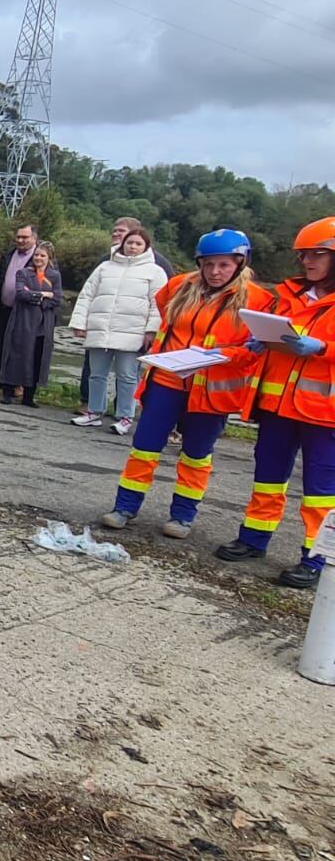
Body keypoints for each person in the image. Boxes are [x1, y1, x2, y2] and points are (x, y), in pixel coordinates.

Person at [100, 230, 271, 538]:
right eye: (208, 265)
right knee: (144, 448)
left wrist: (224, 353)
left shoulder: (259, 301)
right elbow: (164, 310)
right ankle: (124, 507)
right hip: (167, 380)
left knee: (195, 454)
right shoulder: (181, 286)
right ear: (199, 263)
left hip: (211, 391)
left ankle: (182, 516)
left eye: (223, 265)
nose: (215, 272)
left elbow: (255, 352)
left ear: (240, 263)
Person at [215, 216, 335, 588]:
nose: (307, 262)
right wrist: (261, 341)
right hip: (277, 406)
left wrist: (323, 348)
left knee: (321, 491)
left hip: (325, 414)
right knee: (268, 478)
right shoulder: (290, 295)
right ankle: (254, 539)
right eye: (303, 255)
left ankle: (317, 559)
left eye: (317, 254)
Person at [69, 225, 166, 435]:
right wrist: (79, 322)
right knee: (96, 374)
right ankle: (94, 412)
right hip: (101, 330)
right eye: (129, 242)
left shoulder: (155, 272)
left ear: (146, 247)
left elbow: (159, 304)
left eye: (138, 244)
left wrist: (152, 331)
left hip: (132, 333)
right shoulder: (105, 267)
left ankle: (125, 416)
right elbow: (87, 295)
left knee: (127, 376)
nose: (132, 247)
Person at [0, 242, 60, 406]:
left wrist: (39, 299)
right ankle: (8, 392)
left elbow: (56, 299)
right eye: (36, 255)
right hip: (22, 319)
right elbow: (21, 293)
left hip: (43, 322)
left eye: (42, 255)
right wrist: (42, 295)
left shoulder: (54, 276)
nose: (38, 258)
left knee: (36, 356)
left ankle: (29, 396)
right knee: (16, 353)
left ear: (49, 258)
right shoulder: (23, 273)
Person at [0, 224, 39, 393]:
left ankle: (18, 385)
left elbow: (46, 282)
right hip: (5, 308)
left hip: (26, 312)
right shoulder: (8, 255)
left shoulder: (40, 257)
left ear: (34, 238)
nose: (20, 240)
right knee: (2, 345)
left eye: (25, 237)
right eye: (18, 237)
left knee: (22, 348)